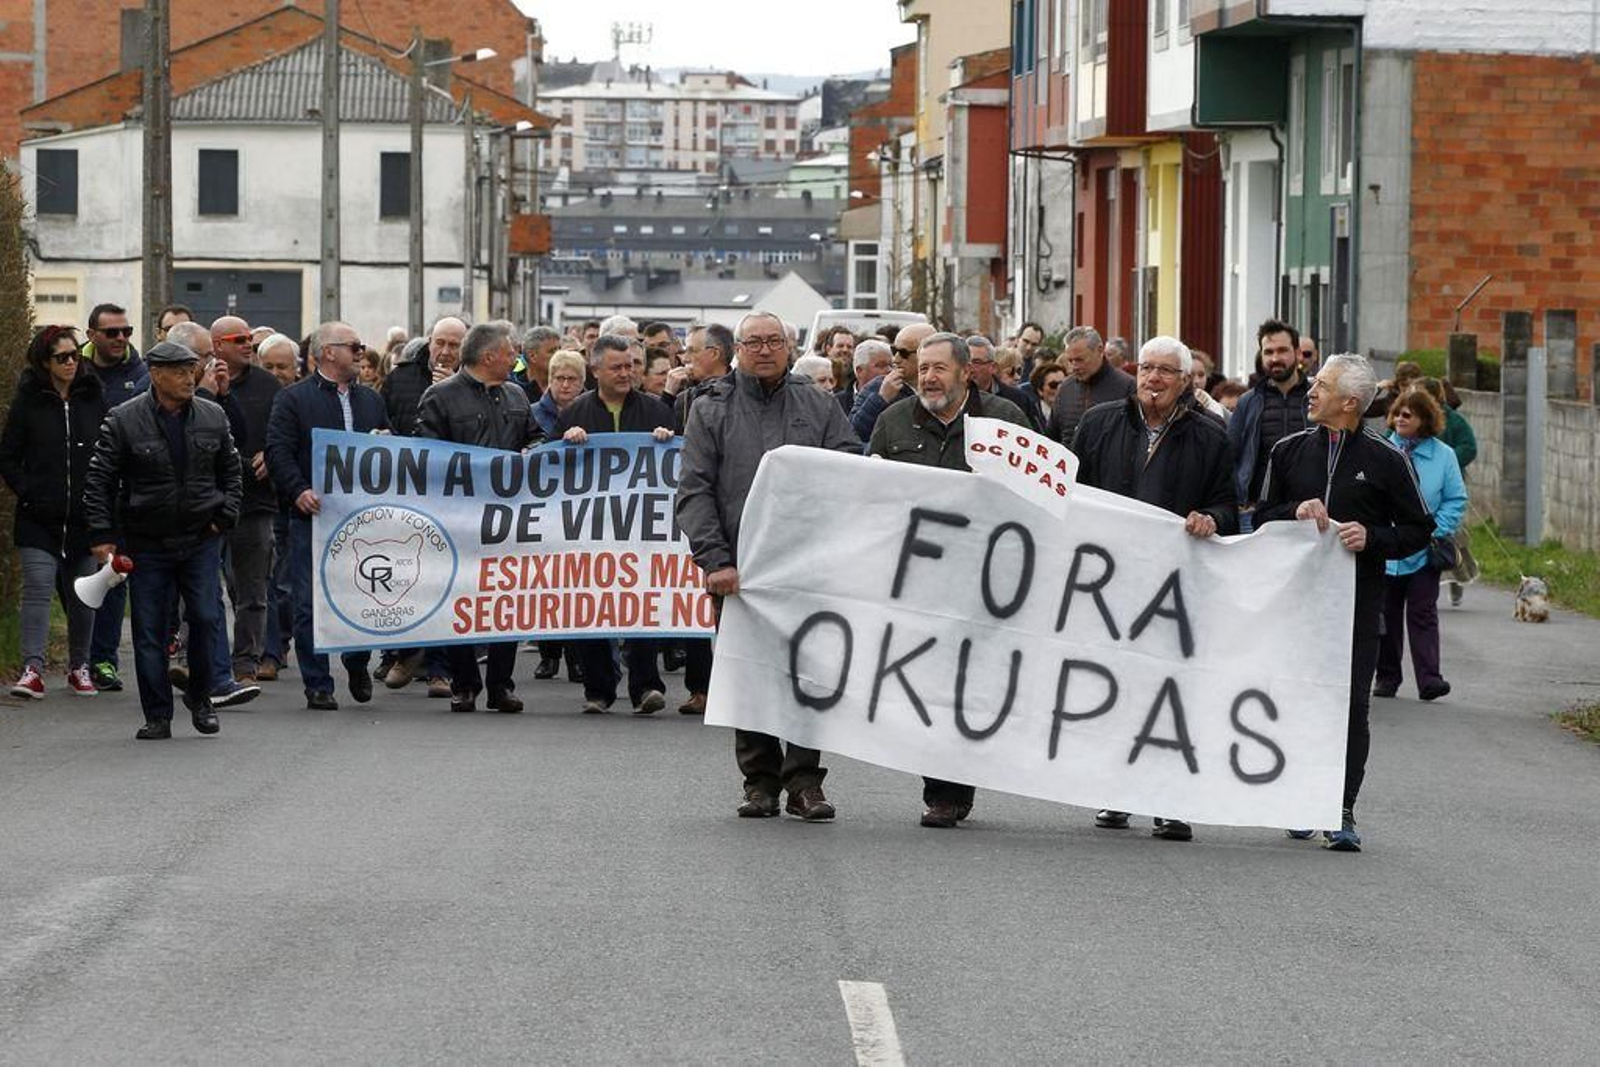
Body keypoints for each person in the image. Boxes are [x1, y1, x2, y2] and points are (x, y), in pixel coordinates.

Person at [677, 310, 862, 820]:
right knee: (751, 676)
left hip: (808, 569)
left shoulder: (818, 403)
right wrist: (715, 560)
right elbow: (694, 491)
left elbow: (850, 472)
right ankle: (759, 782)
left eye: (773, 341)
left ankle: (805, 782)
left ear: (789, 345)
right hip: (740, 573)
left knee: (809, 676)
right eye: (753, 341)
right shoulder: (710, 409)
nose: (763, 350)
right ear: (737, 349)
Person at [1256, 353, 1433, 852]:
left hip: (1358, 604)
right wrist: (1294, 509)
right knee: (1294, 700)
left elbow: (1419, 529)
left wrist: (1372, 537)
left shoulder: (1386, 459)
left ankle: (1340, 808)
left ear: (1351, 402)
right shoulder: (1288, 451)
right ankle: (1296, 798)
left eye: (1322, 385)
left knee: (1351, 707)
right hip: (1295, 605)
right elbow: (1261, 514)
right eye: (1314, 383)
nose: (1311, 391)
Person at [1072, 337, 1239, 842]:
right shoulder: (1099, 424)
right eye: (1146, 368)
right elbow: (1071, 493)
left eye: (1167, 371)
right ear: (1134, 371)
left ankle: (1170, 802)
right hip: (1110, 582)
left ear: (1186, 380)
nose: (1154, 379)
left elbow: (1230, 505)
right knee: (1116, 688)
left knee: (1171, 695)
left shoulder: (1211, 437)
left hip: (1175, 588)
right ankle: (1116, 793)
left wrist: (1211, 518)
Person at [867, 331, 1030, 828]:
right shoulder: (893, 422)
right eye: (922, 370)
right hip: (918, 580)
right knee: (931, 683)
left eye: (939, 368)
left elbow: (1041, 497)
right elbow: (868, 492)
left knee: (971, 685)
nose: (929, 378)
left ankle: (960, 781)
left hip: (987, 582)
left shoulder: (1005, 422)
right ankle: (942, 791)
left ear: (965, 372)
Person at [82, 341, 242, 739]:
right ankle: (157, 715)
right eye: (180, 371)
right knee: (149, 630)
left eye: (193, 370)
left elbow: (232, 474)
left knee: (207, 617)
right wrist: (103, 536)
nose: (190, 378)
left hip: (201, 537)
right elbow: (99, 481)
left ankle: (201, 698)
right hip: (147, 541)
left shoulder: (213, 415)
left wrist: (223, 519)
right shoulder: (123, 419)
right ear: (155, 374)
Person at [264, 322, 390, 710]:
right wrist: (298, 489)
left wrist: (387, 441)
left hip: (360, 521)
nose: (360, 352)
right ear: (327, 352)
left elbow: (390, 445)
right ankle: (317, 682)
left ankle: (356, 661)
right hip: (312, 519)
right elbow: (277, 451)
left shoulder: (370, 400)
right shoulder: (294, 399)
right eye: (353, 346)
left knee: (359, 595)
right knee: (308, 602)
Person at [415, 321, 536, 714]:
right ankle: (464, 683)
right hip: (459, 519)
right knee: (460, 599)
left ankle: (501, 685)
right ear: (489, 357)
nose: (516, 358)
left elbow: (535, 437)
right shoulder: (440, 397)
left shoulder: (516, 395)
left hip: (507, 517)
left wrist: (532, 452)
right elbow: (427, 454)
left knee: (506, 602)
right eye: (510, 352)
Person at [557, 334, 677, 715]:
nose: (627, 373)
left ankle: (646, 688)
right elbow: (548, 474)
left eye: (631, 366)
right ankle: (598, 690)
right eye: (618, 367)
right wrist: (565, 443)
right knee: (590, 606)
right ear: (595, 371)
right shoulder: (574, 413)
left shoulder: (657, 412)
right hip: (590, 530)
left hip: (640, 529)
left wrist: (667, 442)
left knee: (642, 603)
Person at [2, 326, 109, 699]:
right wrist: (29, 493)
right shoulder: (29, 401)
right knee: (37, 589)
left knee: (83, 595)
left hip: (84, 520)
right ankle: (33, 668)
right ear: (45, 362)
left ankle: (80, 666)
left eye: (75, 356)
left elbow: (109, 452)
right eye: (62, 357)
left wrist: (101, 501)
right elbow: (9, 456)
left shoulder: (93, 398)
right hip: (39, 519)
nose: (70, 363)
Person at [377, 319, 463, 698]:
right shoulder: (400, 379)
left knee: (448, 585)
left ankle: (441, 670)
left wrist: (443, 393)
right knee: (407, 581)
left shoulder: (475, 386)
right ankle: (405, 653)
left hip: (456, 500)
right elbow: (389, 425)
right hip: (409, 496)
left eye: (454, 345)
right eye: (439, 343)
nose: (444, 352)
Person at [1374, 389, 1467, 701]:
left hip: (1425, 550)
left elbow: (1455, 498)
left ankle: (1430, 679)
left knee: (1422, 613)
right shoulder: (1383, 449)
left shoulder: (1444, 455)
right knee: (1385, 616)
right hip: (1387, 549)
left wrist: (1434, 531)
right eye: (1397, 413)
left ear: (1424, 420)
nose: (1399, 418)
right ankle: (1387, 678)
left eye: (1407, 414)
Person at [210, 315, 281, 690]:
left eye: (251, 338)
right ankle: (202, 659)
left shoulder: (268, 385)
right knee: (203, 589)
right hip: (209, 501)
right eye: (239, 339)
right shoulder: (200, 382)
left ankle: (246, 663)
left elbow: (285, 429)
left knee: (252, 589)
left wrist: (274, 453)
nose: (248, 345)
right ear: (217, 345)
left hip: (255, 501)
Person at [1228, 318, 1310, 530]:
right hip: (1256, 512)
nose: (1275, 358)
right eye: (1268, 352)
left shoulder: (1317, 397)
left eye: (1282, 350)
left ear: (1297, 352)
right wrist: (1240, 500)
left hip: (1309, 511)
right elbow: (1230, 455)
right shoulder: (1248, 402)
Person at [254, 333, 302, 682]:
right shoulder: (252, 395)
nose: (275, 373)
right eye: (267, 366)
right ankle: (269, 649)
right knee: (268, 582)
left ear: (296, 368)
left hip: (295, 500)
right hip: (260, 500)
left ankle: (277, 645)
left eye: (281, 366)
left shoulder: (301, 399)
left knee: (286, 584)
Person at [1418, 377, 1479, 605]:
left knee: (1451, 535)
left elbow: (1469, 447)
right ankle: (1424, 586)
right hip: (1421, 487)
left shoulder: (1454, 421)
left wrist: (1447, 461)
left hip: (1449, 486)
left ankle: (1457, 578)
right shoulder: (1413, 420)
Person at [1045, 326, 1135, 447]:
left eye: (1079, 360)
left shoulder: (1127, 386)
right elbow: (1052, 439)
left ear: (1099, 351)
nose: (1074, 366)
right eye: (1070, 361)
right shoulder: (1065, 388)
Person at [850, 322, 932, 441]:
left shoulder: (946, 387)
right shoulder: (877, 386)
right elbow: (852, 434)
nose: (896, 359)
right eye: (894, 351)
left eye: (903, 353)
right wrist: (881, 399)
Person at [843, 338, 892, 415]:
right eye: (881, 365)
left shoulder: (899, 400)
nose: (889, 370)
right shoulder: (837, 402)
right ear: (860, 371)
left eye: (891, 365)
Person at [514, 325, 562, 399]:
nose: (559, 355)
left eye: (560, 349)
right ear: (532, 356)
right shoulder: (513, 392)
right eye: (552, 351)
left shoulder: (568, 387)